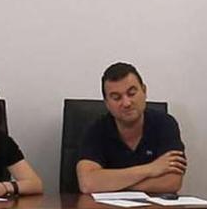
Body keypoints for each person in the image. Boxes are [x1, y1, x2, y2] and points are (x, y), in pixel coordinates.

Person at [76, 62, 186, 194]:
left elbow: (171, 182)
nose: (126, 103)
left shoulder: (165, 124)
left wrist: (113, 184)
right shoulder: (95, 130)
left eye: (132, 93)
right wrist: (151, 169)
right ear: (106, 103)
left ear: (144, 91)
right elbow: (88, 183)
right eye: (116, 98)